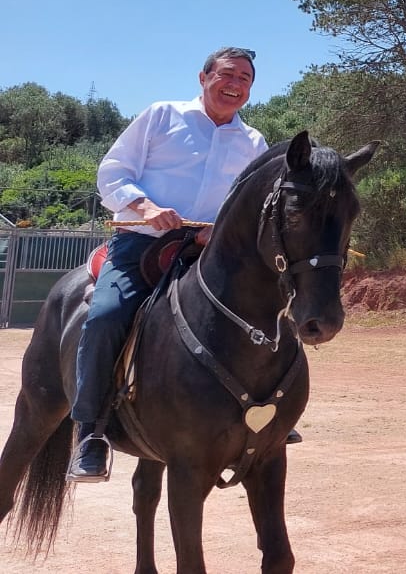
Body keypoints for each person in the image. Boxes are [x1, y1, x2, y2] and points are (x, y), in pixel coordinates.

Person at [67, 47, 270, 483]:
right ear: (203, 77)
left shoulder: (254, 143)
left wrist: (218, 230)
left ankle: (268, 415)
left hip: (209, 252)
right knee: (105, 316)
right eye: (228, 74)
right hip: (142, 245)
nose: (236, 85)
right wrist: (145, 207)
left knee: (269, 315)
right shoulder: (161, 116)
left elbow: (253, 204)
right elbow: (114, 171)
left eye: (246, 79)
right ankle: (90, 432)